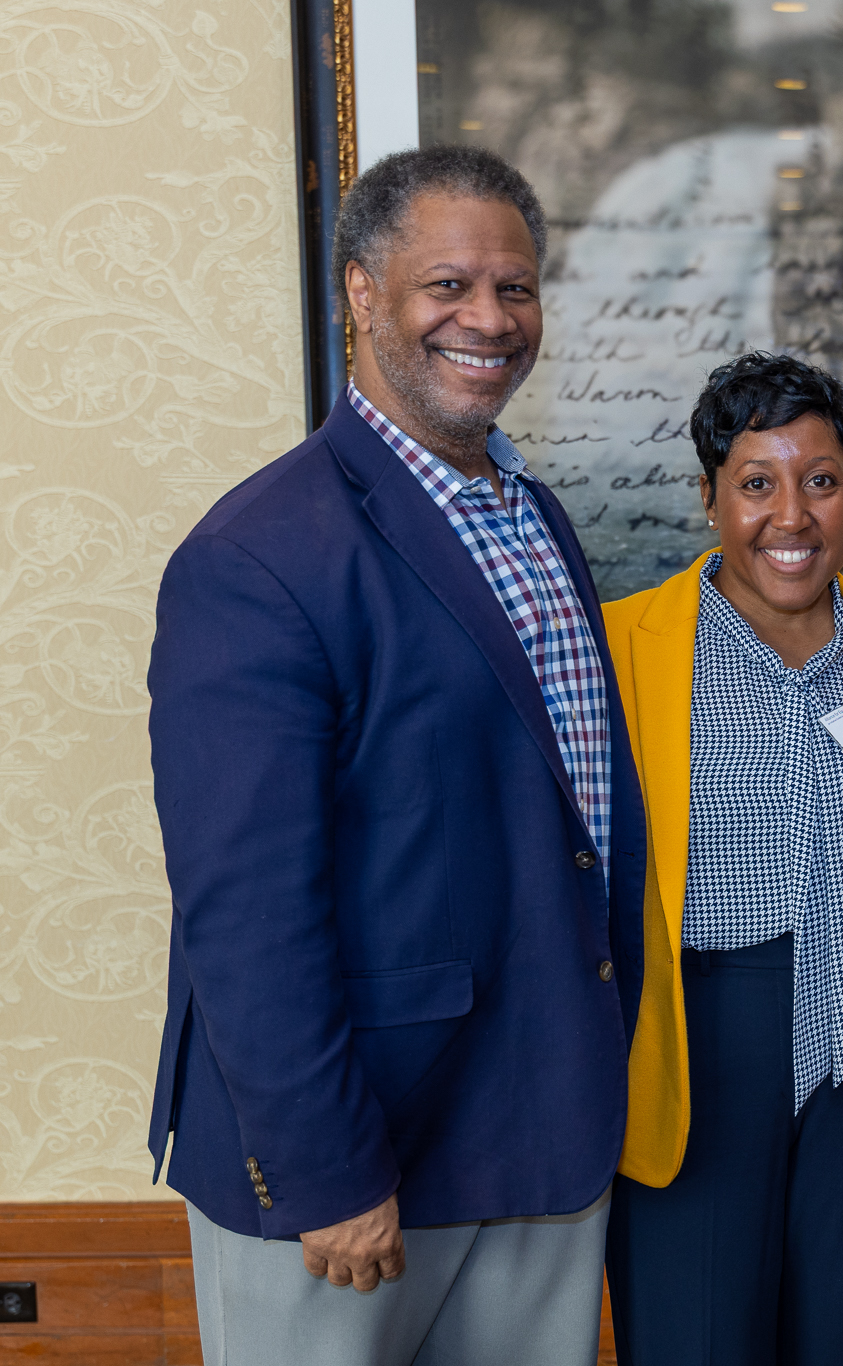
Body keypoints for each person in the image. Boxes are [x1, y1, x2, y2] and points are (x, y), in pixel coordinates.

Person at [146, 147, 643, 1366]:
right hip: (355, 1159)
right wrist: (324, 1166)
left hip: (539, 1122)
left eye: (515, 288)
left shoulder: (535, 514)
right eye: (448, 284)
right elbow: (246, 909)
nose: (488, 318)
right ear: (362, 294)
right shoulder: (257, 557)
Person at [599, 352, 843, 1366]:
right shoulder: (622, 648)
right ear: (710, 499)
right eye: (756, 483)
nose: (791, 515)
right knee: (694, 1335)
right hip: (699, 1029)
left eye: (819, 479)